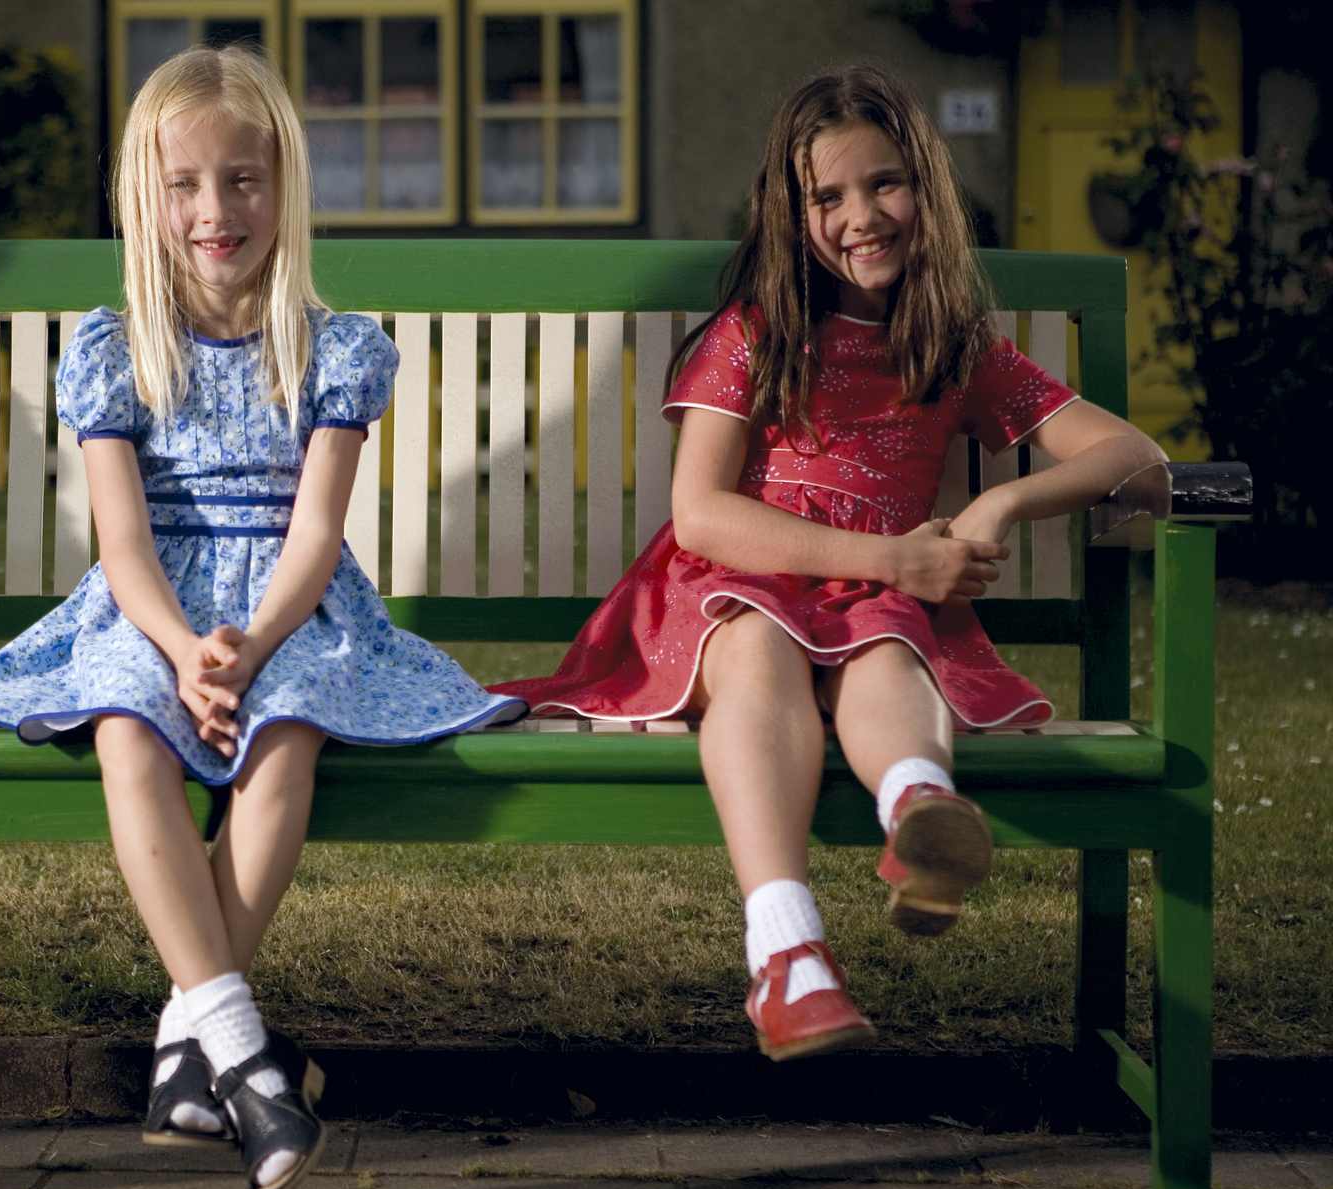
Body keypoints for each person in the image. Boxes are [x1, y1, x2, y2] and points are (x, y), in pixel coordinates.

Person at [0, 45, 520, 1189]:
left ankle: (189, 1060)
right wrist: (180, 645)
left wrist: (251, 641)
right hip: (149, 611)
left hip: (291, 607)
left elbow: (313, 536)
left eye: (241, 180)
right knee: (123, 731)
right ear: (144, 197)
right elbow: (123, 546)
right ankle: (240, 1050)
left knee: (288, 729)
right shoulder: (114, 349)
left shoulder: (333, 348)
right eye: (184, 184)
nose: (214, 209)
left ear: (283, 186)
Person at [488, 66, 1163, 1062]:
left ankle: (919, 814)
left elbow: (1135, 457)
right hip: (739, 586)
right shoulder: (755, 334)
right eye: (828, 196)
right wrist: (893, 554)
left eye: (883, 184)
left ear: (923, 189)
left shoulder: (951, 344)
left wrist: (998, 498)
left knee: (889, 649)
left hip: (878, 598)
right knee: (762, 648)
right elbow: (704, 514)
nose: (861, 215)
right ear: (788, 212)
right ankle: (786, 952)